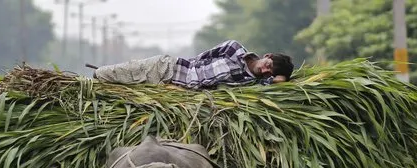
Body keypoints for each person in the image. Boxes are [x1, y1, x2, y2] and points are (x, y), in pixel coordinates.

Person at [91, 40, 294, 90]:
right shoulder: (234, 48)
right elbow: (200, 58)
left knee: (125, 90)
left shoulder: (254, 84)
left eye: (270, 72)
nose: (266, 69)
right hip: (170, 69)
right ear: (266, 56)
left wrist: (280, 76)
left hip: (175, 91)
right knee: (109, 75)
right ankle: (84, 84)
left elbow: (280, 84)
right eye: (268, 64)